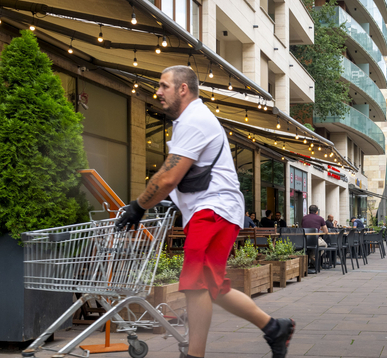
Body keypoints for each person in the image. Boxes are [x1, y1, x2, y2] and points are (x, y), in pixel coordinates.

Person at [114, 66, 294, 358]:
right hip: (216, 210)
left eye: (163, 86)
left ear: (183, 88)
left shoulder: (194, 121)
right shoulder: (192, 120)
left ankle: (194, 355)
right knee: (212, 287)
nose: (157, 92)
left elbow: (167, 177)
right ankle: (275, 328)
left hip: (213, 210)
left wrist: (138, 207)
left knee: (194, 282)